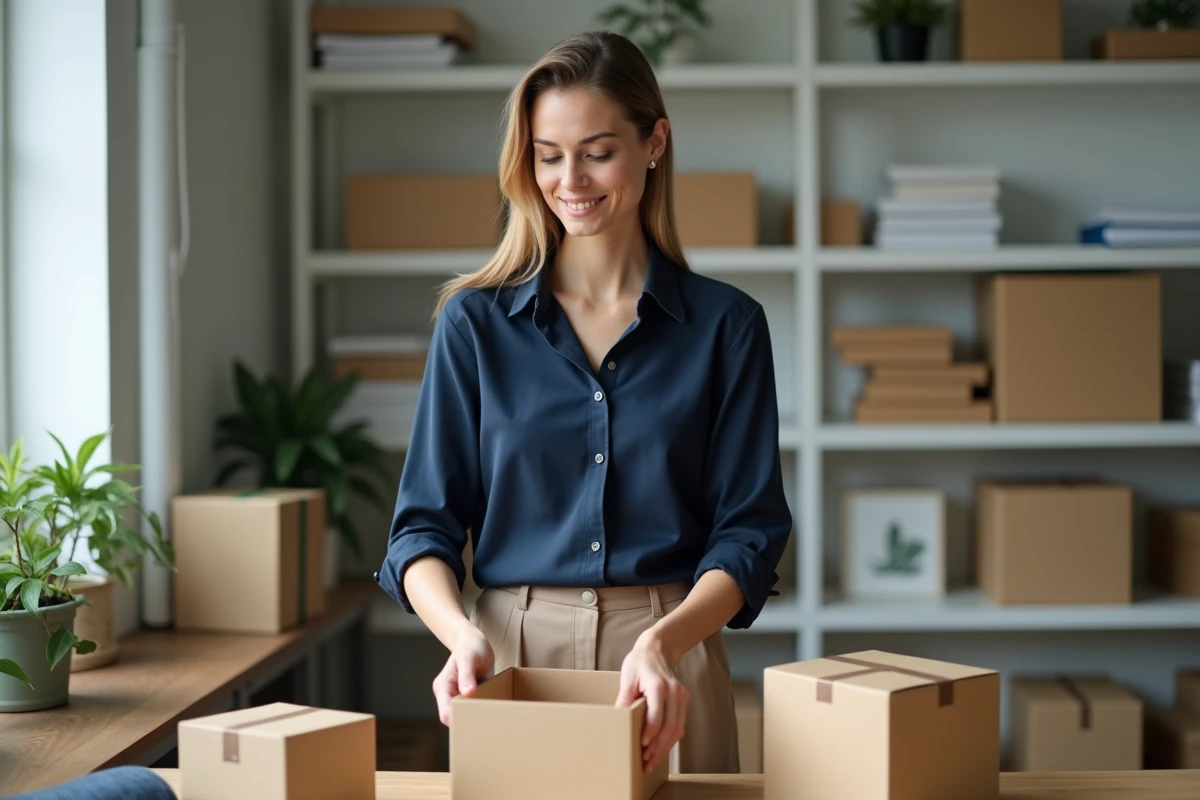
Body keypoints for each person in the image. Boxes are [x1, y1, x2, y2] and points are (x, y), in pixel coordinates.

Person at [373, 30, 792, 775]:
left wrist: (664, 640)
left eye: (598, 151)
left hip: (669, 655)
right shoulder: (473, 325)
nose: (572, 179)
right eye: (548, 154)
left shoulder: (727, 327)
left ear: (654, 141)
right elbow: (420, 530)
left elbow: (749, 534)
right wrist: (462, 637)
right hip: (511, 655)